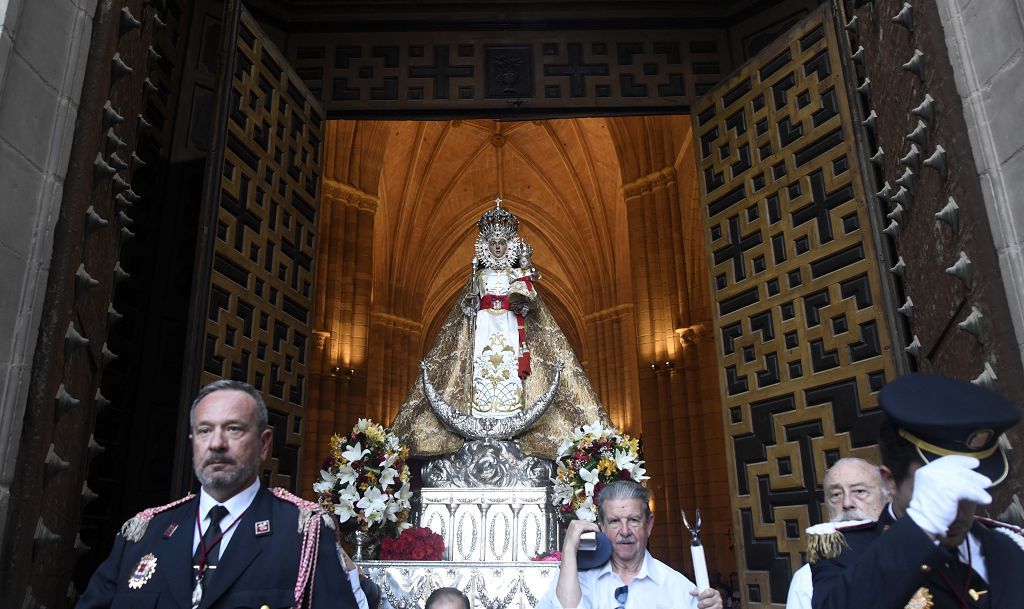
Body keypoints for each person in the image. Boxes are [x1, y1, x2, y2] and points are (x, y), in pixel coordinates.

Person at [76, 379, 369, 609]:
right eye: (205, 431)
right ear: (193, 442)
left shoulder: (303, 535)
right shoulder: (143, 535)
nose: (216, 444)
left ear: (264, 443)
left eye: (233, 430)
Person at [390, 199, 610, 460]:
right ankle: (479, 414)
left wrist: (523, 292)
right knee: (480, 365)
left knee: (510, 366)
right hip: (482, 327)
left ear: (509, 245)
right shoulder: (479, 276)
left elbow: (530, 296)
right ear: (486, 246)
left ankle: (513, 417)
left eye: (502, 243)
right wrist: (470, 303)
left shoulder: (516, 273)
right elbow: (469, 301)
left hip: (508, 324)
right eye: (493, 243)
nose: (497, 247)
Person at [810, 373, 1024, 609]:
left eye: (965, 488)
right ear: (890, 481)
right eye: (938, 490)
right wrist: (922, 526)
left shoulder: (1007, 548)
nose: (955, 508)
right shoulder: (844, 553)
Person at [537, 480, 723, 609]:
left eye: (633, 520)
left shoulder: (679, 588)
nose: (625, 531)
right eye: (615, 521)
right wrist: (569, 548)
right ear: (602, 526)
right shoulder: (575, 578)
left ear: (648, 524)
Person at [785, 457, 889, 609]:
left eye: (860, 491)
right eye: (836, 495)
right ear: (827, 505)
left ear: (887, 496)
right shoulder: (807, 579)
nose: (847, 503)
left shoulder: (915, 551)